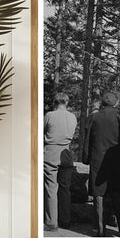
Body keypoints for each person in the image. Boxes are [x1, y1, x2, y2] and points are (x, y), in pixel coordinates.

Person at [83, 91, 120, 237]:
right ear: (116, 103)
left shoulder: (94, 117)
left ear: (103, 103)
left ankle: (99, 229)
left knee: (99, 195)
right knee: (118, 193)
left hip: (98, 160)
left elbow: (88, 140)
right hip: (116, 159)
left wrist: (86, 158)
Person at [43, 92, 77, 231]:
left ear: (55, 102)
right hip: (67, 153)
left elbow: (42, 132)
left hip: (51, 152)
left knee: (51, 187)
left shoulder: (49, 115)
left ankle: (51, 222)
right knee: (65, 188)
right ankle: (66, 220)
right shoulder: (72, 117)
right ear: (67, 102)